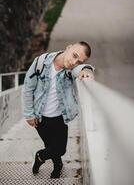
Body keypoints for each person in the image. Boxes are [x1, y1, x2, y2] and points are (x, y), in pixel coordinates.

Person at [22, 41, 95, 178]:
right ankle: (58, 165)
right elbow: (27, 88)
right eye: (74, 55)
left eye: (78, 61)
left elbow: (79, 70)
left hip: (59, 118)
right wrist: (29, 114)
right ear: (68, 48)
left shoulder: (71, 70)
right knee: (50, 145)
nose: (74, 62)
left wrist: (86, 69)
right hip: (40, 117)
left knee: (60, 149)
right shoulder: (41, 62)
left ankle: (39, 156)